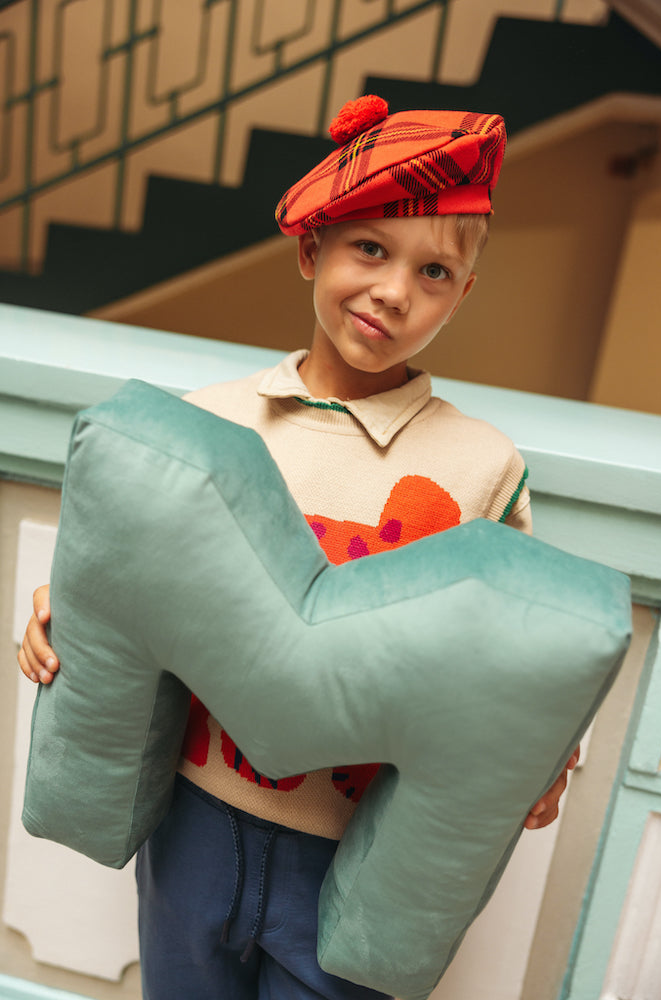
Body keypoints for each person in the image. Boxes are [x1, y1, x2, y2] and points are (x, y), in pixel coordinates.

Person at [18, 96, 578, 1000]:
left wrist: (547, 755)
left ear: (462, 294)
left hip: (353, 857)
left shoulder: (482, 468)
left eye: (433, 272)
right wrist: (64, 615)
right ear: (311, 247)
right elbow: (134, 589)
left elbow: (521, 648)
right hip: (192, 823)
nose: (395, 291)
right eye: (370, 249)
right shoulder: (204, 425)